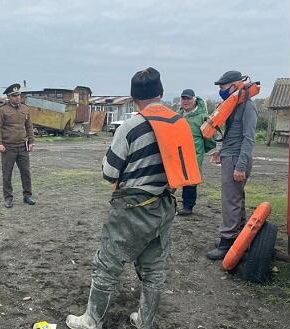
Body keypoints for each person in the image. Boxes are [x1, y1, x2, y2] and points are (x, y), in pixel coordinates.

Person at [66, 68, 177, 329]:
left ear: (133, 96)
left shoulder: (131, 127)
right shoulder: (177, 124)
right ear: (161, 93)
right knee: (154, 268)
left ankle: (92, 320)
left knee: (108, 262)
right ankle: (145, 321)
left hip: (133, 207)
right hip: (164, 204)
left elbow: (110, 172)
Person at [206, 71, 258, 260]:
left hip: (237, 159)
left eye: (223, 87)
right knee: (236, 198)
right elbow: (231, 134)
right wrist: (221, 151)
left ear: (235, 85)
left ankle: (227, 241)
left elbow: (248, 138)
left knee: (230, 201)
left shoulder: (247, 107)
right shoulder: (234, 106)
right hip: (230, 156)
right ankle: (238, 237)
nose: (221, 91)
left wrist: (240, 166)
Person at [0, 83, 35, 208]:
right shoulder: (2, 110)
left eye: (18, 95)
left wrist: (31, 141)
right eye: (14, 96)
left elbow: (29, 126)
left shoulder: (25, 109)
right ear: (9, 97)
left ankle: (27, 195)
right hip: (8, 147)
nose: (17, 98)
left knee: (26, 172)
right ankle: (8, 198)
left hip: (23, 146)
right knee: (7, 174)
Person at [176, 89, 216, 215]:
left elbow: (209, 137)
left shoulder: (203, 117)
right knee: (174, 177)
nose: (185, 101)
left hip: (193, 153)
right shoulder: (177, 115)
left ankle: (188, 206)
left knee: (190, 180)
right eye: (183, 98)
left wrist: (212, 151)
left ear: (194, 100)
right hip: (177, 152)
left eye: (188, 99)